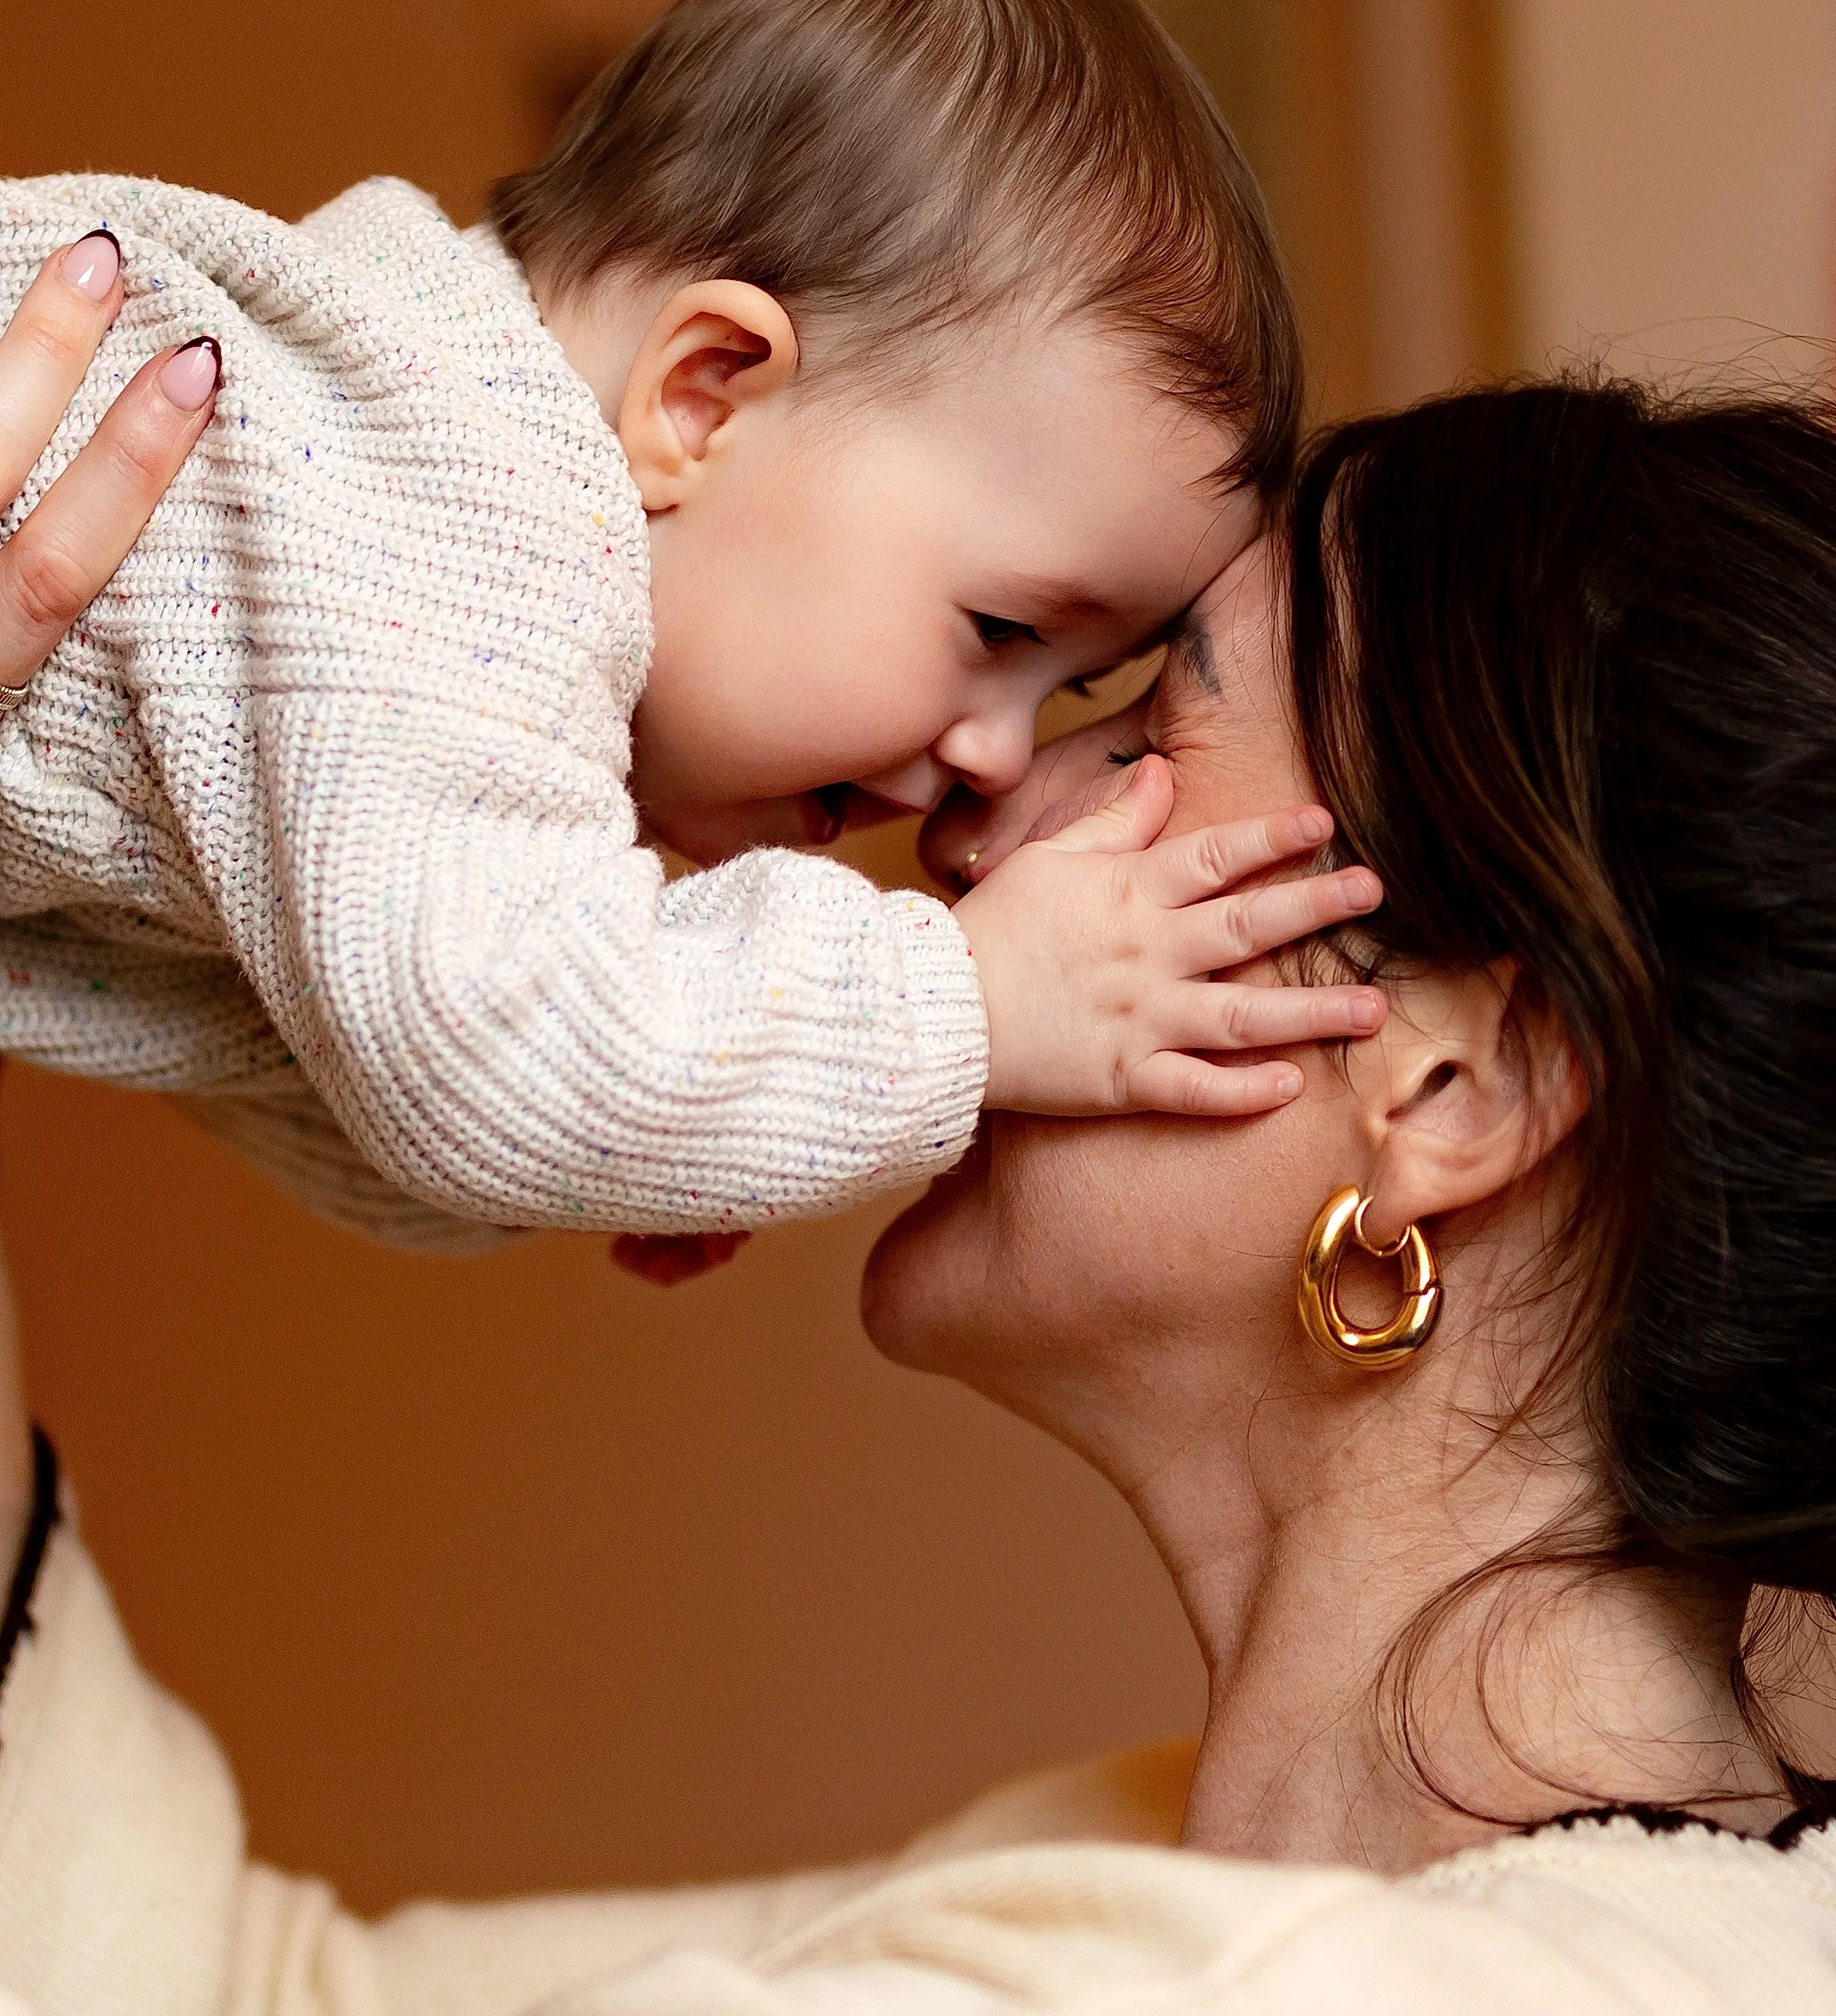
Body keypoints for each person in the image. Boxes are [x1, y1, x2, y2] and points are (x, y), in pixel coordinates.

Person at [10, 368, 1836, 2014]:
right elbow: (221, 1987)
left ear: (1452, 1088)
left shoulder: (1228, 1980)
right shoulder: (1170, 1866)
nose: (965, 825)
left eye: (1146, 736)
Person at [0, 0, 1384, 1261]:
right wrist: (968, 1004)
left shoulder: (412, 524)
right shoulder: (457, 516)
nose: (996, 758)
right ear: (705, 398)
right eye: (1001, 628)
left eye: (1067, 685)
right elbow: (480, 1059)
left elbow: (298, 1036)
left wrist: (694, 1101)